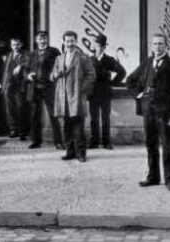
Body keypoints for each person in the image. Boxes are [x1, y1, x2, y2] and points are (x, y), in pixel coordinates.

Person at [126, 33, 170, 191]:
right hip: (148, 112)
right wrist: (138, 95)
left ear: (166, 46)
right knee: (150, 145)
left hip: (165, 113)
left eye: (160, 44)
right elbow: (130, 80)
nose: (157, 47)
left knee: (167, 146)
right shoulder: (147, 63)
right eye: (155, 44)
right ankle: (153, 177)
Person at [51, 30, 96, 162]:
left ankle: (81, 153)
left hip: (76, 96)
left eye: (72, 41)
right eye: (67, 41)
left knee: (78, 127)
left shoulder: (83, 58)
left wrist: (81, 90)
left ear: (76, 42)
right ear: (63, 43)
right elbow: (52, 75)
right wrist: (55, 74)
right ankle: (70, 151)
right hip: (63, 98)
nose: (69, 44)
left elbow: (91, 75)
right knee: (67, 126)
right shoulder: (59, 58)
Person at [24, 31, 64, 150]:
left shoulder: (54, 52)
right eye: (40, 39)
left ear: (47, 40)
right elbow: (26, 69)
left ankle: (58, 142)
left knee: (53, 114)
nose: (42, 41)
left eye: (44, 39)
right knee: (35, 115)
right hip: (35, 88)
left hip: (49, 87)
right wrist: (28, 75)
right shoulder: (32, 54)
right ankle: (36, 141)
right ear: (36, 40)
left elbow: (60, 65)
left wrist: (55, 73)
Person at [88, 33, 125, 150]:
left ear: (105, 47)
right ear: (94, 46)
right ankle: (94, 141)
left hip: (105, 92)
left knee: (105, 118)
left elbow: (122, 72)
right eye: (98, 45)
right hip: (93, 93)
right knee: (93, 118)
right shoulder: (89, 60)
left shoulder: (110, 60)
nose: (99, 48)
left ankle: (106, 142)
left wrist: (112, 83)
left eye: (102, 46)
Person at [1, 36, 29, 141]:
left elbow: (29, 63)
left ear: (21, 44)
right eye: (13, 45)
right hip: (9, 85)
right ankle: (13, 129)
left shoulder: (26, 54)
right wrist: (4, 86)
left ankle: (22, 131)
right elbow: (6, 71)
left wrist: (21, 66)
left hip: (20, 85)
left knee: (20, 107)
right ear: (11, 45)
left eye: (17, 44)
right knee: (9, 108)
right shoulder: (9, 55)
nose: (15, 47)